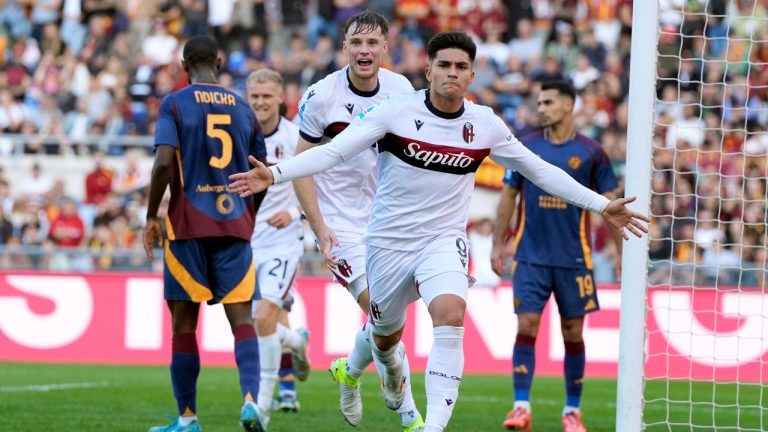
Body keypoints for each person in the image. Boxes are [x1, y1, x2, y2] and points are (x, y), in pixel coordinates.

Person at [228, 31, 648, 432]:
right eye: (443, 64)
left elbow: (539, 170)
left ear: (470, 75)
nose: (451, 72)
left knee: (450, 314)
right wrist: (276, 174)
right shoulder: (396, 113)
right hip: (387, 244)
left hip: (443, 240)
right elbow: (334, 151)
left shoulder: (485, 124)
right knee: (385, 336)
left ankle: (432, 425)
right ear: (427, 71)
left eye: (460, 66)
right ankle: (350, 372)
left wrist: (600, 204)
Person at [291, 10, 424, 431]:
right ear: (344, 46)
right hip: (340, 224)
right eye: (356, 43)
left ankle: (349, 371)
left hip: (388, 220)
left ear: (386, 47)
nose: (364, 51)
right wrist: (319, 227)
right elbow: (302, 164)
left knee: (388, 323)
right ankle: (412, 417)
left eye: (373, 43)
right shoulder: (322, 96)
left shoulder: (401, 90)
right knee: (380, 311)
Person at [143, 35, 268, 432]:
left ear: (183, 65)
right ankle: (251, 401)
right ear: (219, 60)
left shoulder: (175, 104)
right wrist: (248, 217)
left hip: (187, 228)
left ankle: (188, 419)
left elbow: (164, 162)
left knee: (183, 325)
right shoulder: (245, 109)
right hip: (234, 227)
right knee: (243, 321)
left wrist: (151, 216)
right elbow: (261, 175)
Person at [490, 81, 623, 432]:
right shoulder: (526, 147)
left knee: (573, 332)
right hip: (530, 256)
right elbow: (508, 197)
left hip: (574, 259)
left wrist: (620, 254)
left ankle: (572, 412)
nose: (541, 108)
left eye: (548, 102)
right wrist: (497, 243)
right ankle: (520, 407)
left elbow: (612, 205)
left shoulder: (592, 152)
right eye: (539, 102)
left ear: (568, 106)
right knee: (527, 325)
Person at [245, 68, 310, 426]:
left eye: (267, 96)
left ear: (281, 98)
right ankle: (297, 343)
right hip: (244, 242)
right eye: (254, 96)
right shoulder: (236, 136)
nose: (260, 102)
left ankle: (264, 409)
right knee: (260, 324)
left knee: (264, 316)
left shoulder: (297, 138)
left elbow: (323, 187)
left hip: (283, 243)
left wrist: (293, 212)